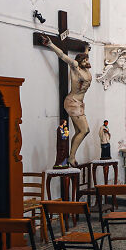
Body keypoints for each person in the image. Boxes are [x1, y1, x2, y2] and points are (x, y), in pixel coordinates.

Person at [40, 35, 92, 165]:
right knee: (85, 130)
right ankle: (71, 157)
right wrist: (50, 44)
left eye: (87, 59)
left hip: (79, 104)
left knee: (79, 131)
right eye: (84, 60)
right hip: (73, 102)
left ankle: (71, 157)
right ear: (79, 61)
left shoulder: (85, 69)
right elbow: (63, 56)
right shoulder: (75, 67)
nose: (87, 62)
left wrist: (86, 49)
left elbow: (85, 55)